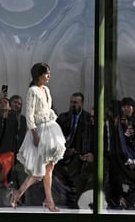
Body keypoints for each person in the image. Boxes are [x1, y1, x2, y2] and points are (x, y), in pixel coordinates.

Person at [10, 63, 67, 212]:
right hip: (40, 131)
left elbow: (48, 109)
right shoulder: (32, 91)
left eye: (49, 73)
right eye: (46, 73)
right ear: (38, 75)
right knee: (40, 170)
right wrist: (34, 134)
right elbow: (29, 114)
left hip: (51, 129)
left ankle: (43, 199)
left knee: (47, 169)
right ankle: (42, 199)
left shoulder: (46, 89)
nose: (48, 76)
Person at [53, 92, 96, 207]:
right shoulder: (63, 117)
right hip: (63, 152)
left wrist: (89, 153)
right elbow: (55, 136)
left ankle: (73, 196)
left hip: (80, 153)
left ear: (82, 103)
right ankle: (68, 192)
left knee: (78, 167)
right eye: (71, 102)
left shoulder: (88, 118)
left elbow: (92, 138)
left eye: (75, 102)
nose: (73, 105)